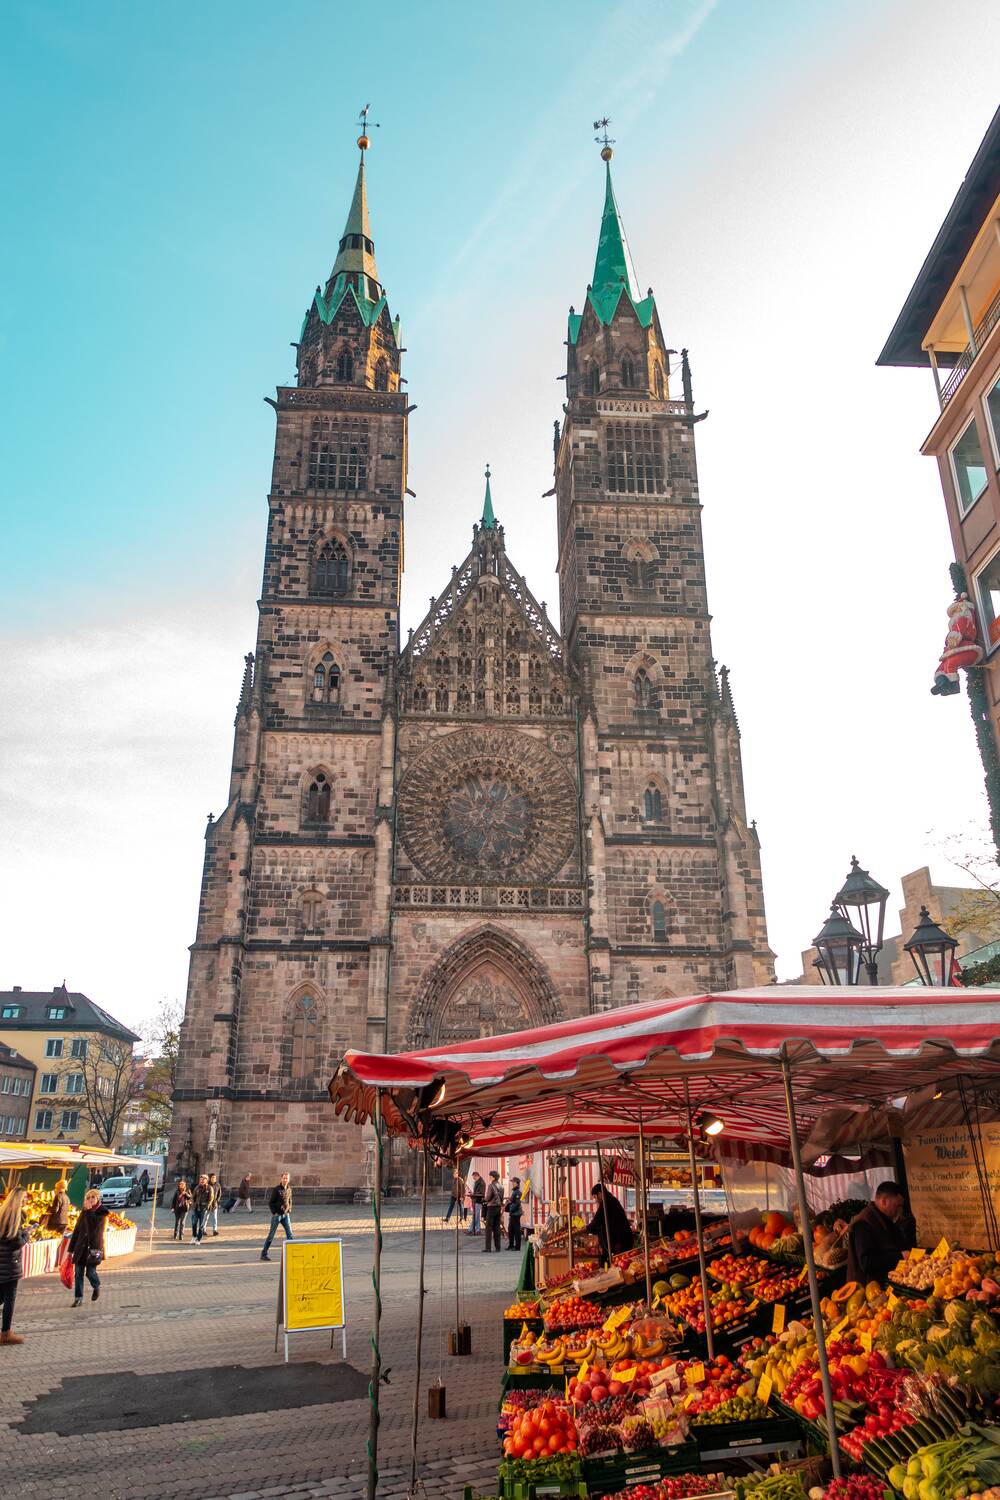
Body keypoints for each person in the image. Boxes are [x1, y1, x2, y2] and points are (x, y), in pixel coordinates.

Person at [847, 1180, 916, 1286]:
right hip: (870, 1288)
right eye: (897, 1206)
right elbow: (867, 1263)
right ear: (884, 1201)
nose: (899, 1210)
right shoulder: (863, 1224)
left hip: (889, 1281)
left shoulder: (884, 1218)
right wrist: (899, 1256)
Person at [68, 1188, 108, 1306]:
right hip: (81, 1247)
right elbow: (77, 1230)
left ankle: (96, 1286)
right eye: (88, 1198)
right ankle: (78, 1298)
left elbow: (95, 1226)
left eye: (93, 1197)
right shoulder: (84, 1211)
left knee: (90, 1273)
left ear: (98, 1199)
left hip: (94, 1247)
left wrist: (90, 1211)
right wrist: (71, 1249)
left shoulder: (102, 1212)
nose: (90, 1200)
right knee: (78, 1273)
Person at [0, 1188, 28, 1344]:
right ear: (18, 1199)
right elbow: (16, 1243)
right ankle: (6, 1333)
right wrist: (27, 1234)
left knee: (1, 1297)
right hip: (10, 1264)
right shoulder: (15, 1217)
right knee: (10, 1299)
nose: (26, 1201)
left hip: (1, 1263)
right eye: (24, 1198)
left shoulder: (2, 1213)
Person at [587, 1182, 634, 1266]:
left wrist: (587, 1229)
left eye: (595, 1197)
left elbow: (597, 1220)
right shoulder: (610, 1200)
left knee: (619, 1265)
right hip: (622, 1240)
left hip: (620, 1241)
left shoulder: (607, 1202)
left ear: (600, 1193)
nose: (595, 1200)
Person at [261, 1173, 293, 1261]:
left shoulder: (289, 1189)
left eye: (287, 1178)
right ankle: (264, 1253)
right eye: (284, 1178)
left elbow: (290, 1200)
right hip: (277, 1215)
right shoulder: (276, 1189)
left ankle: (292, 1253)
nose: (285, 1180)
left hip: (286, 1215)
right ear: (281, 1179)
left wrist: (289, 1209)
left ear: (289, 1179)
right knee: (271, 1235)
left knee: (290, 1234)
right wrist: (274, 1212)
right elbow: (271, 1203)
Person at [483, 1171, 503, 1253]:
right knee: (497, 1227)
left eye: (490, 1176)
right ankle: (498, 1247)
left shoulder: (491, 1186)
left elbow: (488, 1198)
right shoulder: (501, 1186)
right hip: (498, 1207)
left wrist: (483, 1200)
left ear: (493, 1177)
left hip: (491, 1207)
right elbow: (501, 1198)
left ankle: (488, 1248)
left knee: (488, 1228)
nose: (489, 1177)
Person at [190, 1175, 212, 1243]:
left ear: (206, 1180)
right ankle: (194, 1236)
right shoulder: (197, 1187)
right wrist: (193, 1204)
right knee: (194, 1223)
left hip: (203, 1209)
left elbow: (210, 1199)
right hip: (196, 1208)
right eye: (201, 1179)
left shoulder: (209, 1188)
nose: (202, 1180)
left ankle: (198, 1239)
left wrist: (207, 1206)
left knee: (201, 1225)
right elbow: (193, 1197)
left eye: (203, 1179)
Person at [505, 1177, 523, 1252]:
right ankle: (511, 1245)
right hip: (513, 1213)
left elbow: (516, 1203)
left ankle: (517, 1246)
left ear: (516, 1183)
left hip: (516, 1214)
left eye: (513, 1182)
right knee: (511, 1230)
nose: (512, 1183)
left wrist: (510, 1208)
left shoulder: (517, 1192)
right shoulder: (515, 1191)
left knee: (516, 1230)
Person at [468, 1171, 485, 1236]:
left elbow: (481, 1193)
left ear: (477, 1176)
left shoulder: (481, 1183)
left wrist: (473, 1194)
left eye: (474, 1178)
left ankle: (470, 1230)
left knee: (475, 1216)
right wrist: (473, 1194)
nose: (474, 1179)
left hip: (478, 1201)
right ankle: (478, 1230)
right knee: (476, 1216)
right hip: (476, 1201)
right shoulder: (478, 1182)